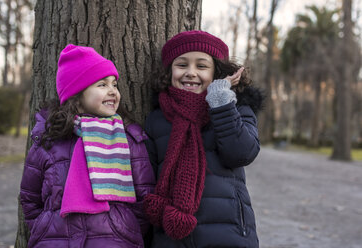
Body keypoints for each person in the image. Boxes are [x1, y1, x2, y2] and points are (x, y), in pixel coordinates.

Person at [20, 44, 155, 248]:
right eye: (102, 85)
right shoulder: (47, 142)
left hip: (114, 240)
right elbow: (30, 198)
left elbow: (144, 195)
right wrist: (43, 227)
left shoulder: (128, 139)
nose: (112, 91)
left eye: (114, 84)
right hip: (54, 240)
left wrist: (127, 228)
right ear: (77, 94)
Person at [143, 30, 263, 248]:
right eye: (181, 65)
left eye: (201, 66)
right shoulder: (158, 118)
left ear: (217, 72)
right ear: (169, 70)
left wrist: (220, 101)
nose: (190, 73)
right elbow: (148, 179)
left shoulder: (235, 107)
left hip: (229, 233)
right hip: (172, 236)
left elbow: (241, 153)